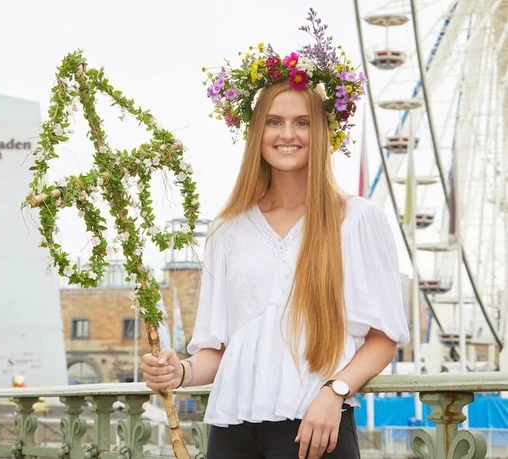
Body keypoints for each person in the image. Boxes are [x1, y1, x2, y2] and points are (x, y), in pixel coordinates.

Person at [142, 10, 409, 459]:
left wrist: (335, 392)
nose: (288, 134)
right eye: (274, 122)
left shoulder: (357, 219)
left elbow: (384, 337)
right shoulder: (227, 231)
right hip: (231, 432)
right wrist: (178, 372)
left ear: (322, 131)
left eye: (302, 122)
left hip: (315, 427)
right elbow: (218, 351)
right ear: (255, 131)